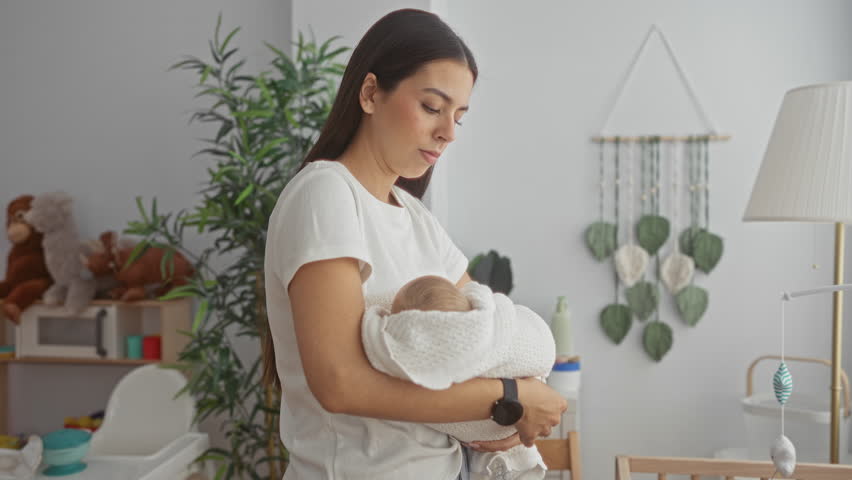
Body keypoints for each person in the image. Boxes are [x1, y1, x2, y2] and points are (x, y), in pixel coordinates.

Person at [262, 8, 567, 480]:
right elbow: (340, 384)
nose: (447, 132)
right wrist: (511, 398)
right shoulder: (326, 194)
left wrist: (516, 390)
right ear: (370, 93)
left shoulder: (417, 219)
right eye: (432, 106)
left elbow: (485, 337)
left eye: (458, 116)